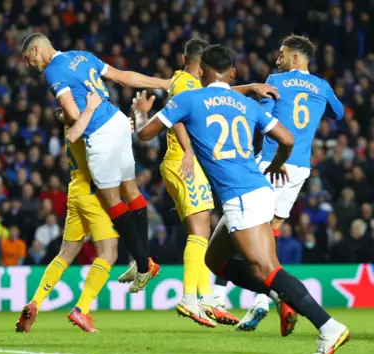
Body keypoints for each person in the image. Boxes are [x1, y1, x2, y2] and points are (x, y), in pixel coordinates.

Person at [132, 45, 349, 354]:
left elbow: (144, 135)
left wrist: (141, 113)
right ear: (233, 73)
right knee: (214, 260)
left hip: (242, 198)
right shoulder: (245, 103)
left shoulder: (188, 99)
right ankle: (282, 297)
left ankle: (329, 327)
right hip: (254, 189)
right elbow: (286, 139)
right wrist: (277, 163)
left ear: (201, 72)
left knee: (267, 270)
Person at [132, 37, 279, 327]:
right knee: (200, 231)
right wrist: (188, 150)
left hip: (181, 163)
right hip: (182, 162)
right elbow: (181, 117)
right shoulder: (187, 86)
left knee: (201, 231)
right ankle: (191, 299)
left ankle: (207, 296)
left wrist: (140, 115)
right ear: (203, 66)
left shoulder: (183, 82)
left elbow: (213, 96)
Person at [214, 35, 345, 333]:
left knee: (239, 229)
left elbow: (263, 118)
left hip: (272, 164)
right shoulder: (322, 86)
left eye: (282, 54)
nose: (277, 59)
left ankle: (219, 298)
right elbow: (337, 112)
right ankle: (264, 299)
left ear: (296, 58)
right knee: (269, 232)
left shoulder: (276, 80)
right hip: (299, 169)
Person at [21, 33, 161, 292]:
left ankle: (143, 265)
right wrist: (163, 82)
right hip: (118, 119)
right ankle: (144, 260)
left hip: (100, 134)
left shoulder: (53, 71)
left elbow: (75, 115)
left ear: (37, 50)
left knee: (112, 201)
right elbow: (123, 76)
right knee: (131, 191)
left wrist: (65, 114)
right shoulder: (80, 55)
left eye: (29, 59)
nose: (30, 65)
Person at [16, 93, 119, 332]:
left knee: (64, 255)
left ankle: (35, 302)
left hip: (75, 191)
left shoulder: (71, 126)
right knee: (109, 252)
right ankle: (81, 309)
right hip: (93, 193)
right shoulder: (84, 124)